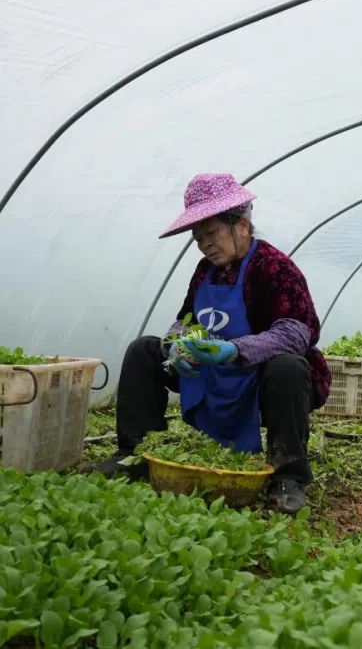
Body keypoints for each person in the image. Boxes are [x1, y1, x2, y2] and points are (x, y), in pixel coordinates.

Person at [91, 173, 331, 513]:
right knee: (145, 351)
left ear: (243, 225)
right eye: (198, 237)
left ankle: (287, 476)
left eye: (212, 233)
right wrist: (177, 344)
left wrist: (235, 350)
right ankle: (133, 455)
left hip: (257, 377)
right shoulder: (206, 270)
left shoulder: (275, 267)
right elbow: (185, 319)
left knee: (289, 367)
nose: (205, 244)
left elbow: (296, 333)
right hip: (211, 373)